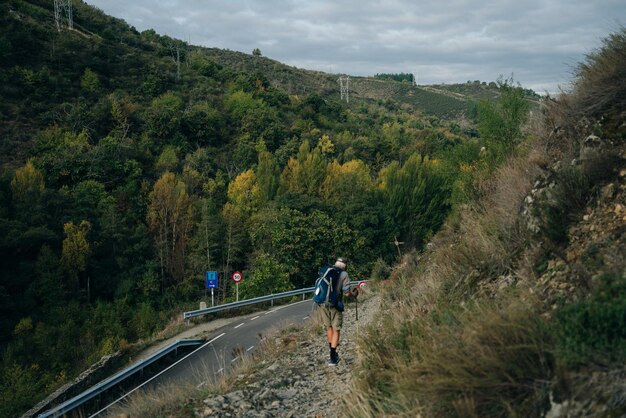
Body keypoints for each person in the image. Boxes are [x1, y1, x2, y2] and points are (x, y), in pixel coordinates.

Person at [320, 257, 357, 366]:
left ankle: (332, 354)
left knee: (329, 327)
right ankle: (333, 358)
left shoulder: (327, 270)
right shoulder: (344, 274)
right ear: (344, 265)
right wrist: (354, 294)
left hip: (323, 303)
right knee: (336, 329)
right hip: (335, 304)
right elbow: (346, 293)